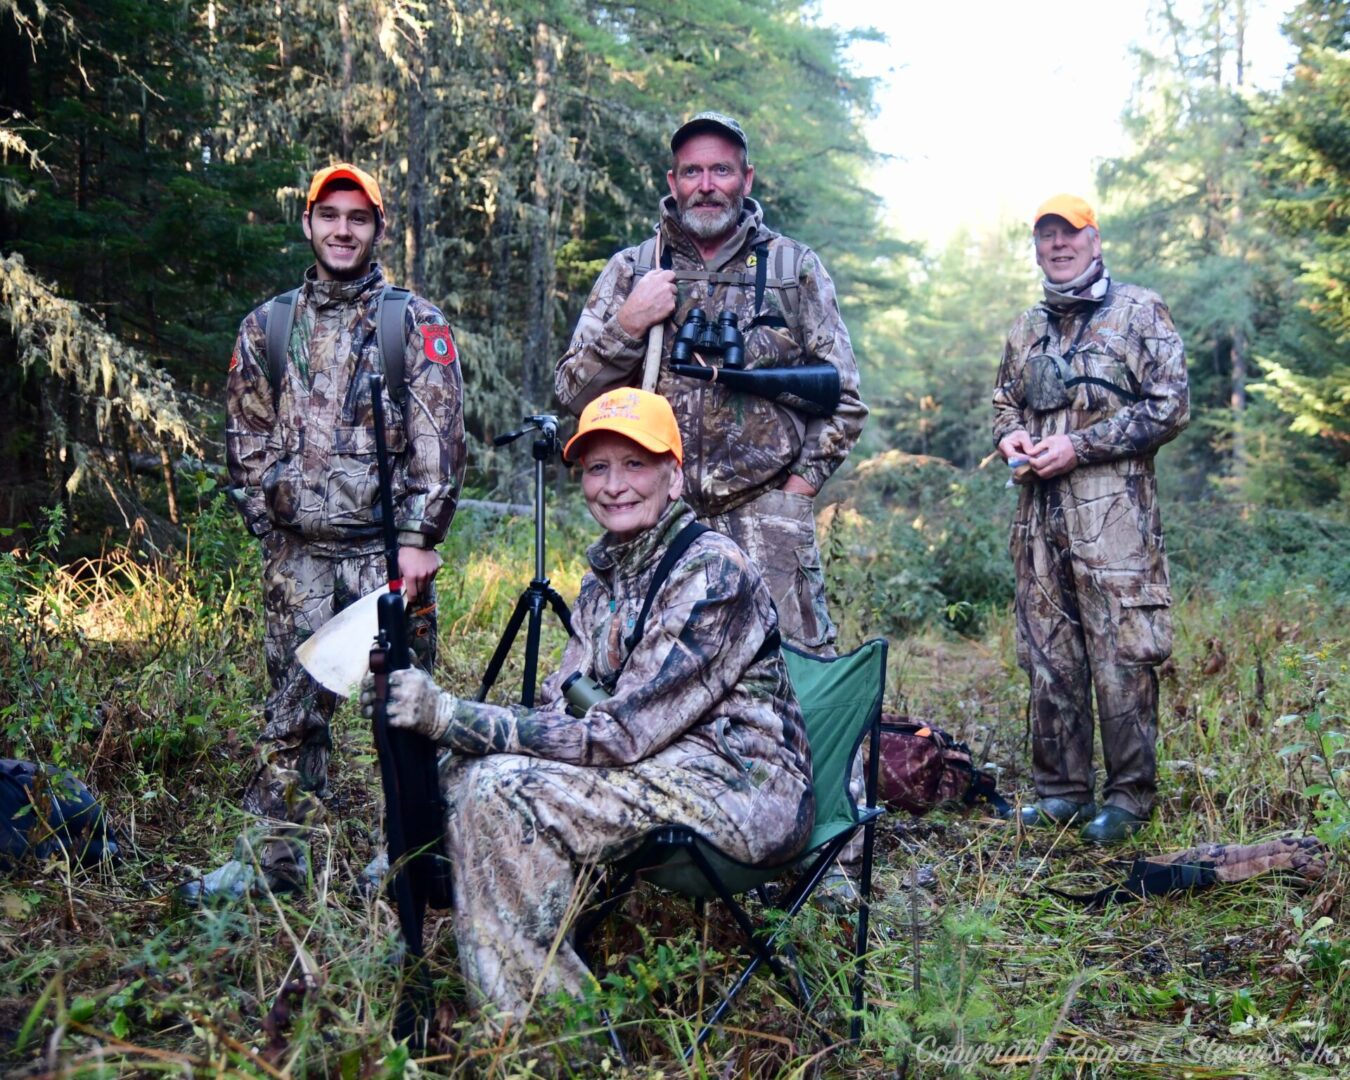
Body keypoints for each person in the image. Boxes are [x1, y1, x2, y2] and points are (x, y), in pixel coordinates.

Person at [362, 387, 813, 1020]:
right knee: (461, 773)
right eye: (598, 467)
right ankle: (439, 942)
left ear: (673, 476)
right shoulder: (608, 576)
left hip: (741, 788)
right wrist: (438, 726)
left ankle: (548, 1038)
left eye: (635, 464)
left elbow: (617, 735)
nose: (614, 485)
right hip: (659, 763)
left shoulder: (712, 574)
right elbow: (561, 707)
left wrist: (449, 717)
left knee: (504, 790)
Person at [198, 163, 466, 901]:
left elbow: (440, 441)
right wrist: (270, 528)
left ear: (377, 228)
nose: (343, 229)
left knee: (401, 713)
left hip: (386, 559)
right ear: (308, 223)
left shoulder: (412, 322)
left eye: (358, 217)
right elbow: (244, 435)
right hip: (299, 561)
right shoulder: (269, 325)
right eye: (330, 215)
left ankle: (405, 857)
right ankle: (273, 863)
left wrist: (418, 541)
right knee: (289, 713)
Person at [555, 111, 867, 658]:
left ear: (746, 180)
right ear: (672, 183)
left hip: (764, 519)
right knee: (644, 679)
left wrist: (795, 494)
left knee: (790, 683)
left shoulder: (795, 268)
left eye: (721, 170)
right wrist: (629, 323)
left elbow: (844, 400)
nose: (706, 186)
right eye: (691, 172)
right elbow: (572, 395)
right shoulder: (632, 269)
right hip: (654, 520)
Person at [993, 193, 1189, 845]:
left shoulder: (1139, 310)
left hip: (1116, 522)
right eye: (1045, 235)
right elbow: (1004, 401)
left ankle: (1129, 799)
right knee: (1049, 655)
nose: (1058, 244)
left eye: (1069, 233)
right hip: (1038, 523)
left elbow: (1171, 407)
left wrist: (1081, 445)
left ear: (1095, 240)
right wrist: (1011, 438)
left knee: (1123, 657)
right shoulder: (1027, 326)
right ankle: (1061, 794)